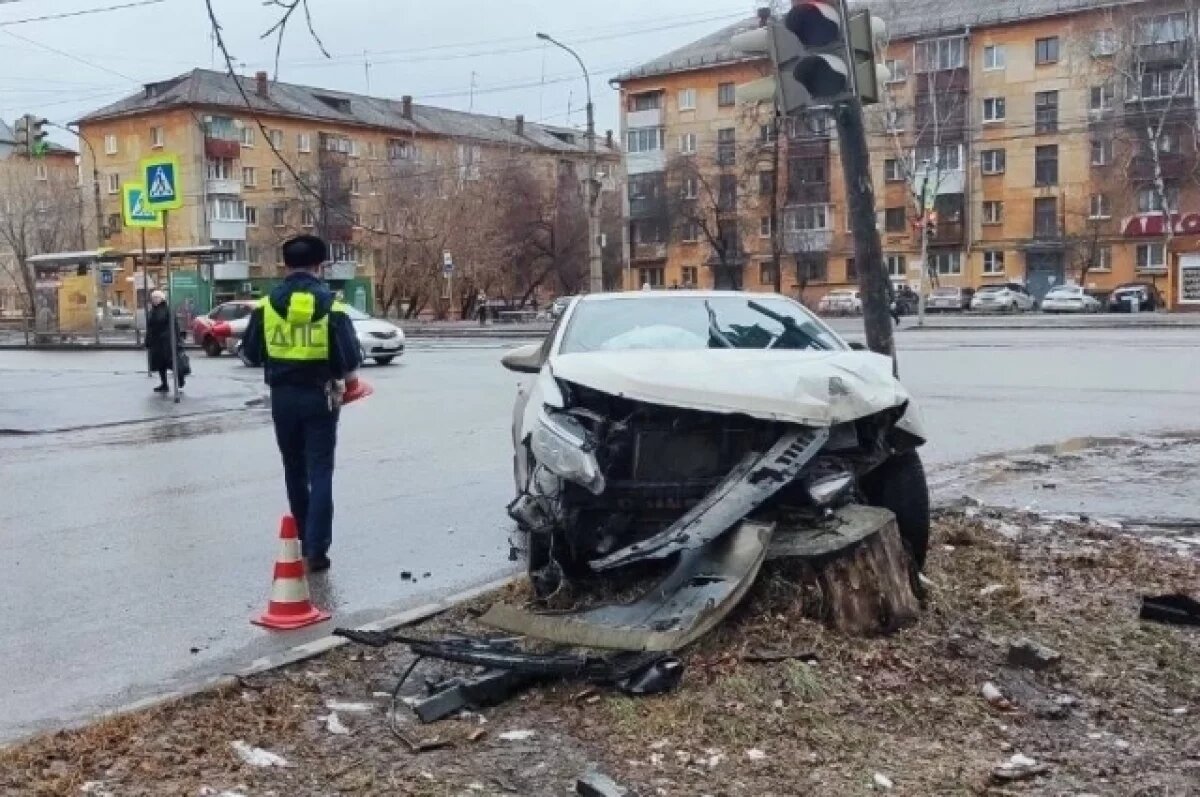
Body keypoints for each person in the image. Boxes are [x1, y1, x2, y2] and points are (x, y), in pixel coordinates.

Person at [241, 235, 363, 573]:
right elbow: (350, 356)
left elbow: (250, 353)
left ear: (285, 265)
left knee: (293, 469)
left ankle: (303, 538)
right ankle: (317, 549)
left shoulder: (267, 307)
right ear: (319, 266)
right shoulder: (332, 306)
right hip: (320, 395)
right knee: (320, 470)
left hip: (282, 398)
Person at [145, 290, 185, 393]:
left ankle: (180, 377)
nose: (154, 300)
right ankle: (164, 384)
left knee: (171, 362)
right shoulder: (152, 311)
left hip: (167, 342)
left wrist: (178, 340)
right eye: (153, 298)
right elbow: (150, 327)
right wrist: (147, 340)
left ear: (162, 299)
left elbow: (175, 326)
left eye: (156, 298)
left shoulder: (167, 310)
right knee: (160, 364)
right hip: (156, 342)